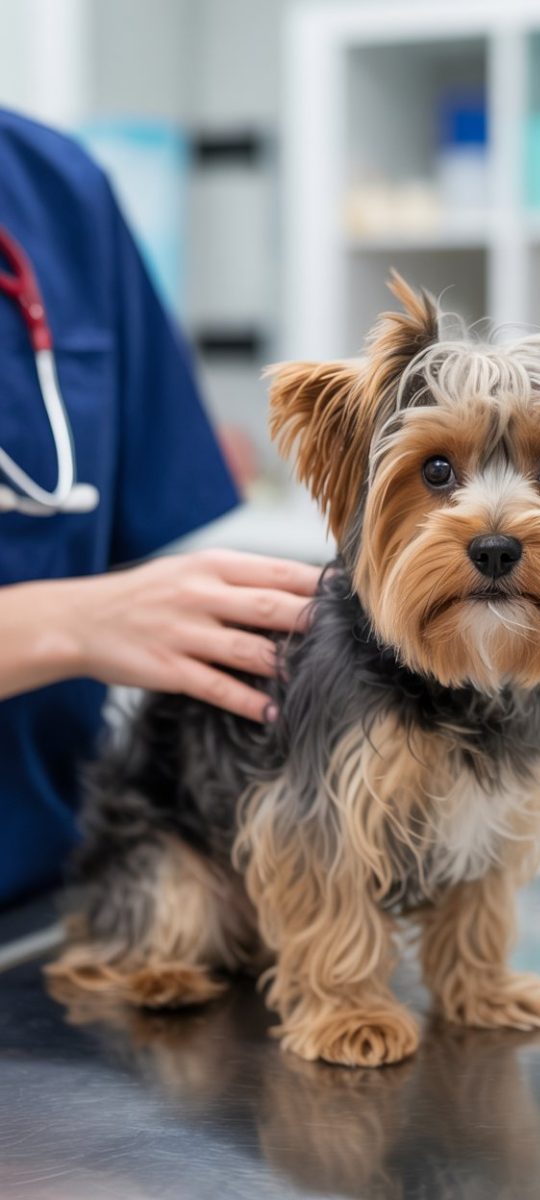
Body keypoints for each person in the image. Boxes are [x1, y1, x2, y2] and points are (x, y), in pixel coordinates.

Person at [0, 108, 319, 908]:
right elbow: (104, 612)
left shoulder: (52, 185)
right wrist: (69, 625)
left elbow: (135, 545)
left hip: (55, 887)